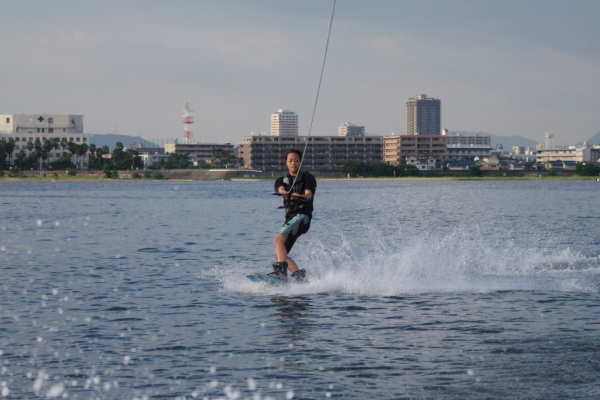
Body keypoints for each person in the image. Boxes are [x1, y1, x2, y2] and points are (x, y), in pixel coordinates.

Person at [268, 148, 316, 282]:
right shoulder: (281, 180)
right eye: (290, 161)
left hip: (303, 216)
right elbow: (280, 189)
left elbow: (308, 195)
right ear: (286, 162)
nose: (293, 163)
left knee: (278, 239)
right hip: (290, 218)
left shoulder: (308, 177)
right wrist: (285, 192)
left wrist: (298, 195)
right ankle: (300, 277)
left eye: (296, 161)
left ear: (300, 162)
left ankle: (280, 273)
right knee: (278, 253)